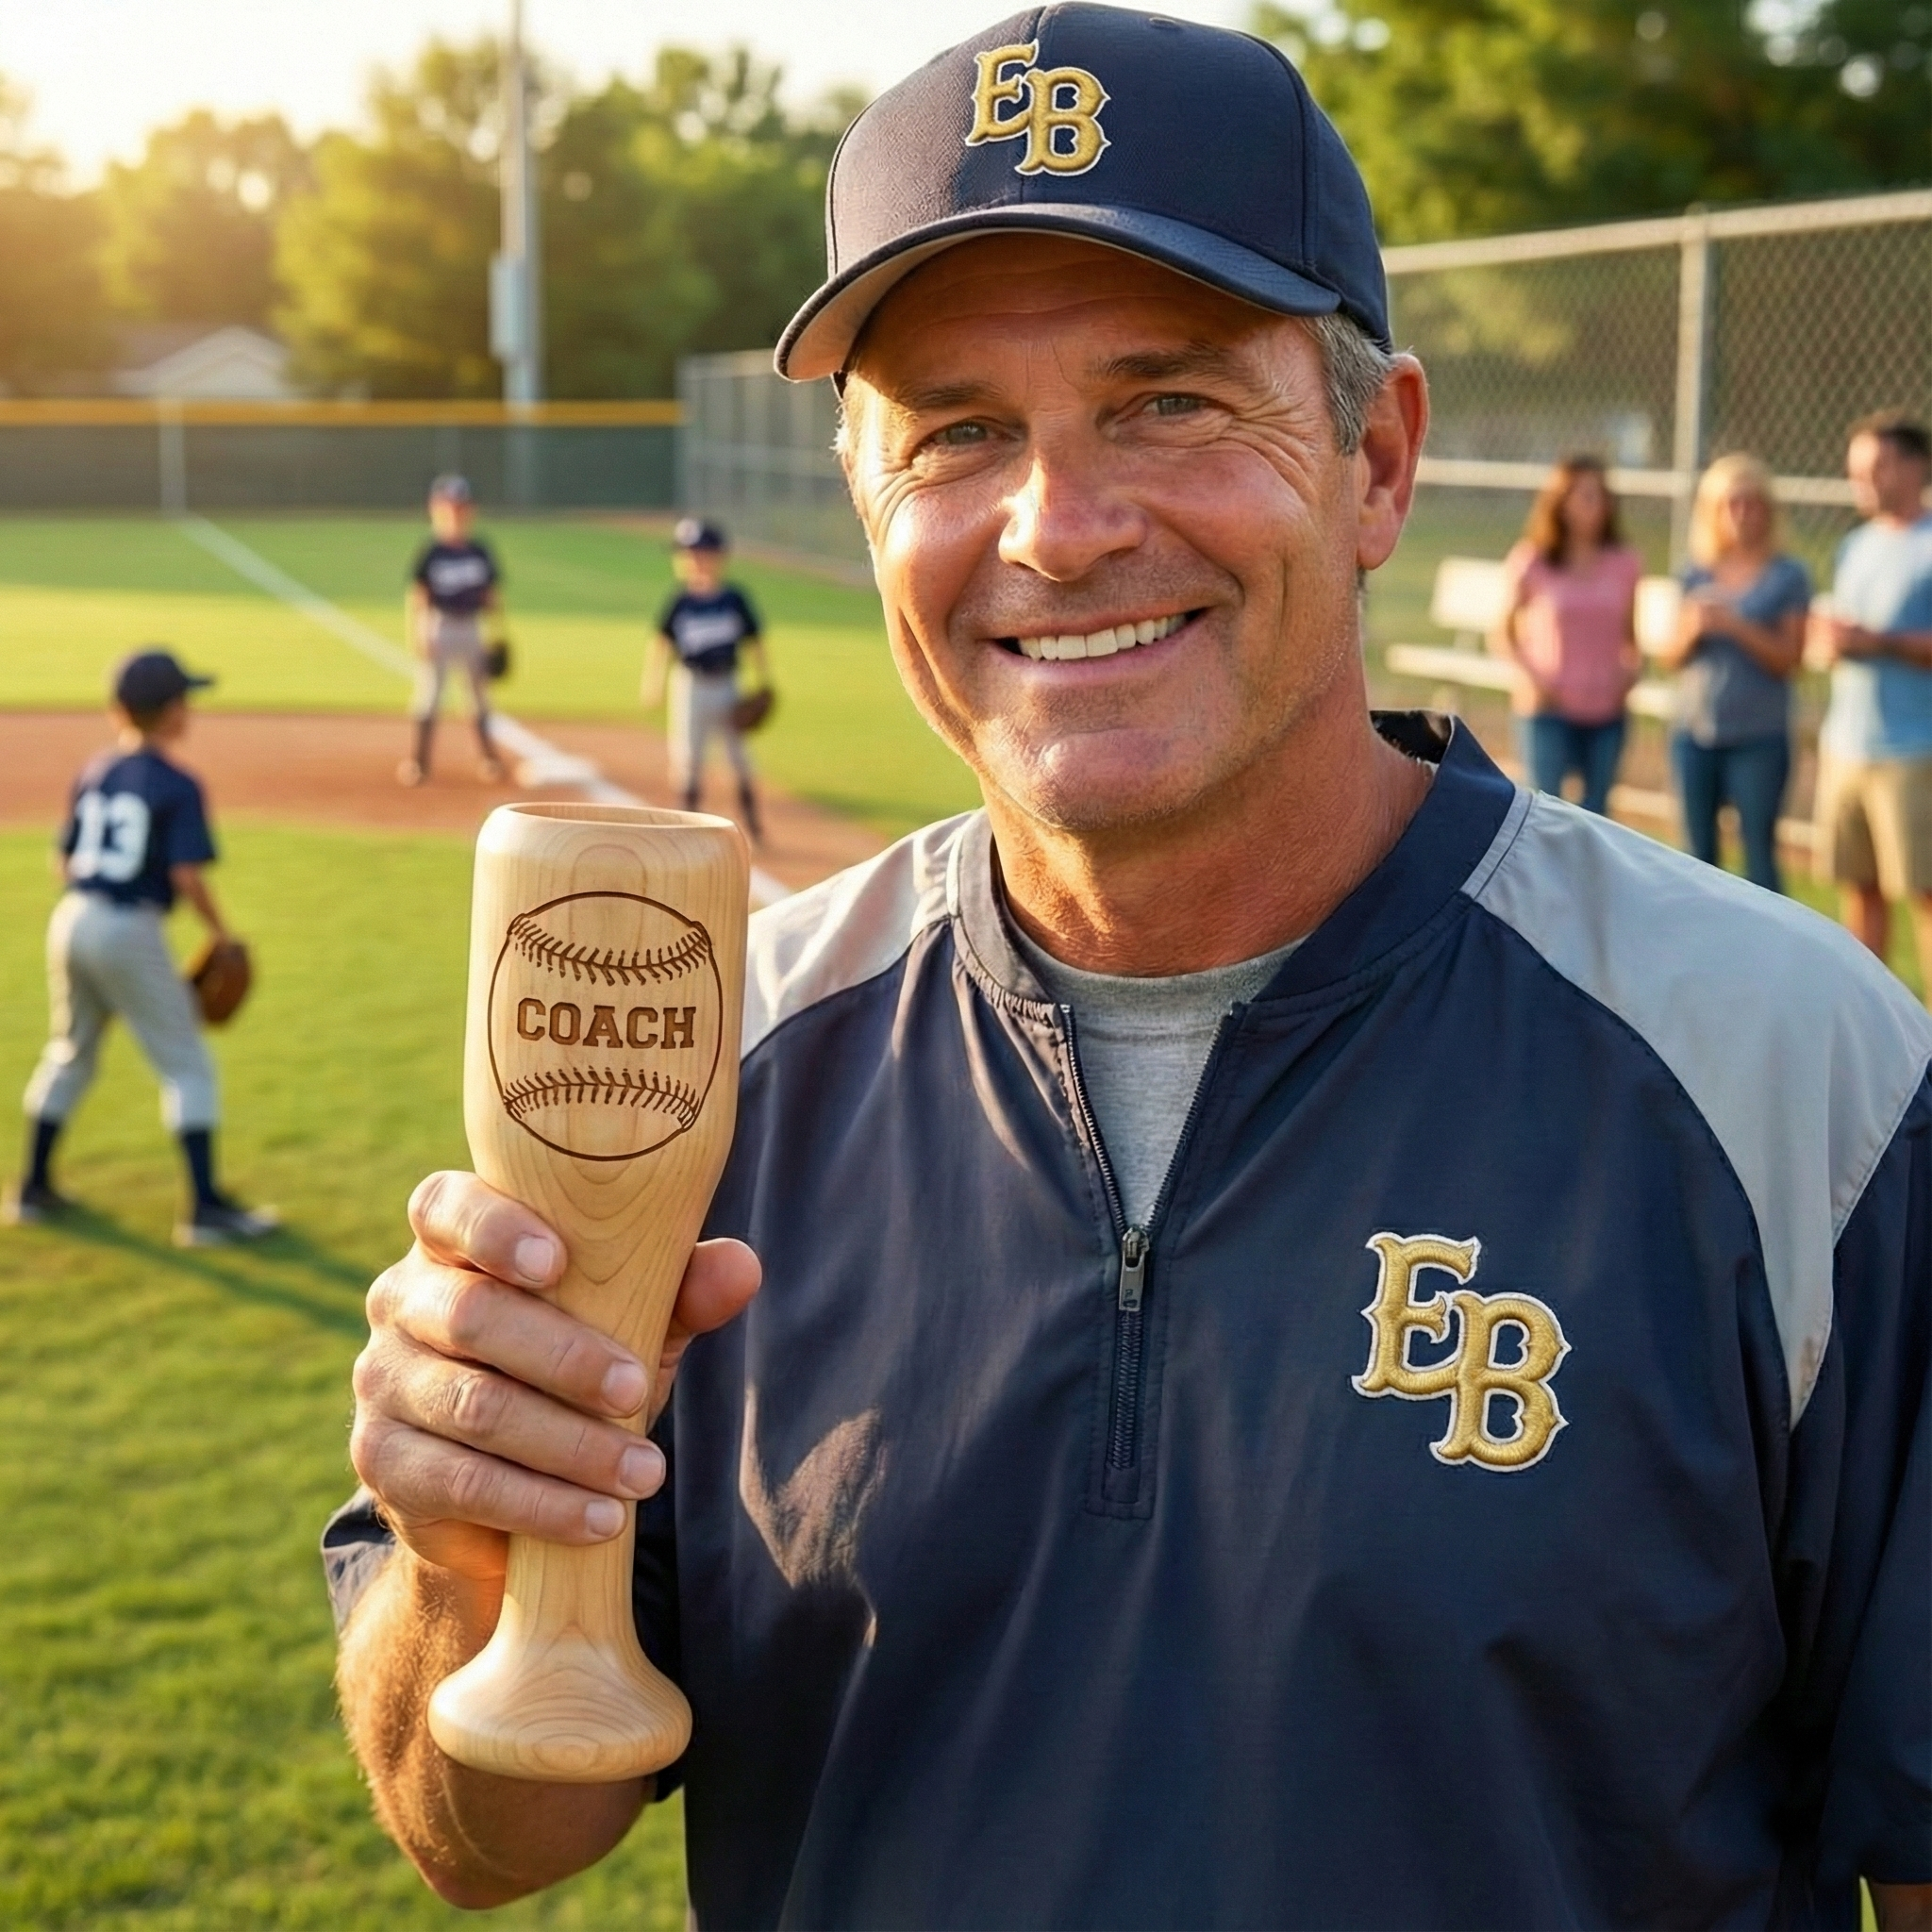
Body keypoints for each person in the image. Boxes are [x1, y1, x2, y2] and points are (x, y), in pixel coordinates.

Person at [325, 11, 1932, 1926]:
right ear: (868, 503)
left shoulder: (1794, 1075)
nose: (1058, 529)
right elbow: (476, 1835)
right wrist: (459, 1558)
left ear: (1376, 459)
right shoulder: (715, 1062)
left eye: (1168, 401)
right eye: (957, 432)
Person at [5, 650, 279, 1247]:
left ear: (118, 710)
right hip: (128, 929)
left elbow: (63, 860)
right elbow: (185, 875)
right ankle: (205, 1211)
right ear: (175, 711)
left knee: (70, 1050)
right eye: (187, 701)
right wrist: (220, 934)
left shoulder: (96, 770)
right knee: (187, 1063)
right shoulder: (178, 783)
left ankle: (32, 1188)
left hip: (71, 918)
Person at [1809, 412, 1932, 1002]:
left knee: (1925, 895)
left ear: (1917, 467)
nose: (1864, 478)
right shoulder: (1855, 544)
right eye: (1857, 467)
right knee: (1858, 891)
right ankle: (1875, 1027)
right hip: (1846, 747)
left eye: (1878, 465)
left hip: (1915, 750)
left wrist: (1875, 641)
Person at [1657, 453, 1810, 891]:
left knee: (1759, 857)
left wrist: (1735, 625)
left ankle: (1767, 958)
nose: (1741, 514)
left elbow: (1790, 660)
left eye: (1751, 502)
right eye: (1730, 503)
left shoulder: (1788, 575)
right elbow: (1668, 659)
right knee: (1694, 859)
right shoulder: (1695, 572)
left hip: (1758, 736)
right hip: (1694, 732)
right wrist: (1691, 632)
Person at [1491, 455, 1644, 814]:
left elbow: (1631, 637)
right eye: (1583, 495)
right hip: (1549, 707)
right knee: (1547, 814)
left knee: (1596, 815)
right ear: (1561, 503)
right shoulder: (1534, 560)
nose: (1593, 505)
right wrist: (1532, 681)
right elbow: (1503, 631)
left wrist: (1631, 673)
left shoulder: (1625, 563)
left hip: (1606, 707)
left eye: (1599, 495)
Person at [642, 518, 770, 841]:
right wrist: (653, 683)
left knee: (739, 758)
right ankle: (686, 828)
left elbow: (755, 639)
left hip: (728, 685)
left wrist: (763, 681)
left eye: (699, 553)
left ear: (718, 557)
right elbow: (662, 642)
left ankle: (754, 826)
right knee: (689, 759)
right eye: (687, 554)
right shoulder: (681, 601)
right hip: (690, 686)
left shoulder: (734, 599)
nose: (692, 560)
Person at [401, 474, 504, 787]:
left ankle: (488, 758)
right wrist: (418, 632)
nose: (456, 513)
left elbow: (491, 595)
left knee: (479, 697)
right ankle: (419, 763)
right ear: (436, 509)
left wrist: (496, 634)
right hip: (439, 625)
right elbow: (418, 594)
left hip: (472, 627)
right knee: (430, 695)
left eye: (461, 507)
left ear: (469, 510)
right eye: (449, 507)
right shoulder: (432, 551)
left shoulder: (479, 550)